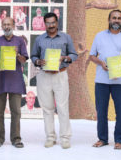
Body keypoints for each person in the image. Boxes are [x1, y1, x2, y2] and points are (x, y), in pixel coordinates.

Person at [89, 9, 121, 150]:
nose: (116, 20)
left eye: (119, 18)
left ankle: (119, 140)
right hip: (101, 81)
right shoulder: (99, 36)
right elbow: (92, 56)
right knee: (101, 111)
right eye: (114, 18)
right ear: (109, 20)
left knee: (120, 112)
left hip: (120, 81)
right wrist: (101, 63)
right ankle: (102, 139)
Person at [31, 12, 78, 149]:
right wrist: (38, 61)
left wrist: (65, 58)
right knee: (47, 108)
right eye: (48, 23)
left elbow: (74, 55)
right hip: (44, 75)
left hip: (60, 75)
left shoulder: (66, 38)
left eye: (53, 22)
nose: (51, 25)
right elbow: (33, 56)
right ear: (44, 24)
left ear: (57, 23)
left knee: (63, 108)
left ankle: (65, 138)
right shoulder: (40, 39)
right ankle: (50, 137)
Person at [0, 17, 28, 148]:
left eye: (9, 24)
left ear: (14, 25)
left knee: (16, 111)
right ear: (2, 26)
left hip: (15, 81)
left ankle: (16, 138)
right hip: (0, 80)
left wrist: (17, 55)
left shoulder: (20, 41)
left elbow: (23, 60)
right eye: (4, 24)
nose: (6, 27)